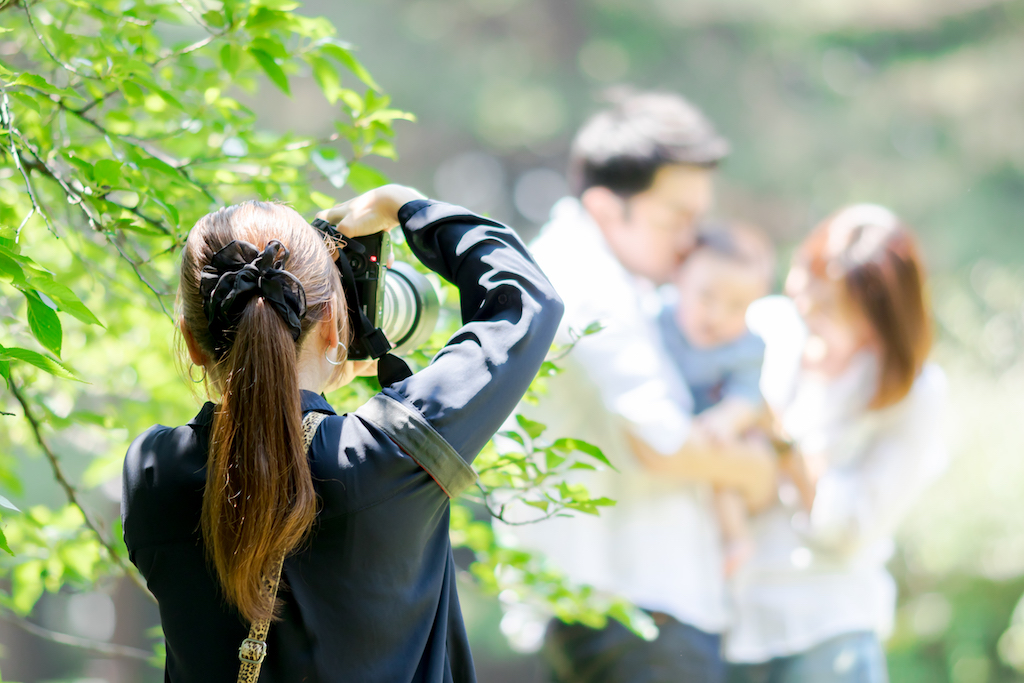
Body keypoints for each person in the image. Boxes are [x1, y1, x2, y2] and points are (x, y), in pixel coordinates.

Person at [120, 184, 564, 682]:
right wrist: (402, 204)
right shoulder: (386, 453)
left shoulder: (152, 471)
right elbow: (526, 301)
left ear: (192, 342)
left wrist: (317, 380)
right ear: (334, 323)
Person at [505, 90, 777, 683]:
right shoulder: (587, 279)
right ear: (607, 207)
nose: (691, 240)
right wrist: (760, 471)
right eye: (675, 218)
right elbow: (665, 444)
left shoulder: (623, 284)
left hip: (623, 616)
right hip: (639, 618)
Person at [725, 205, 948, 683]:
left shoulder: (913, 393)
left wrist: (782, 444)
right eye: (807, 289)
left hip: (826, 625)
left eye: (830, 310)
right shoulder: (766, 326)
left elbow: (852, 530)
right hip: (728, 618)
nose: (808, 313)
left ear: (879, 315)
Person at [656, 221, 775, 577]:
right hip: (667, 425)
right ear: (679, 279)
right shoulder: (657, 319)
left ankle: (736, 540)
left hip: (715, 429)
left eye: (737, 306)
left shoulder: (746, 348)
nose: (717, 316)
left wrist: (726, 420)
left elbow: (747, 396)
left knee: (724, 483)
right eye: (706, 297)